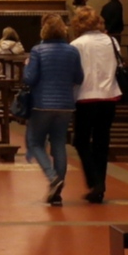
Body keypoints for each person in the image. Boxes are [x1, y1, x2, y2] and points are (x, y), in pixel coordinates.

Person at [20, 14, 81, 205]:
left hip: (42, 104)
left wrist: (26, 66)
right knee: (59, 143)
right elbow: (79, 78)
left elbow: (29, 79)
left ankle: (53, 177)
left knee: (35, 142)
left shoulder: (37, 51)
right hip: (65, 105)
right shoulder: (72, 51)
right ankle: (58, 193)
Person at [68, 4, 122, 204]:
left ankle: (95, 181)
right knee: (102, 142)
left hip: (85, 97)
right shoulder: (112, 41)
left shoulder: (76, 45)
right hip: (109, 96)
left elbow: (74, 74)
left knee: (81, 141)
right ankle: (100, 185)